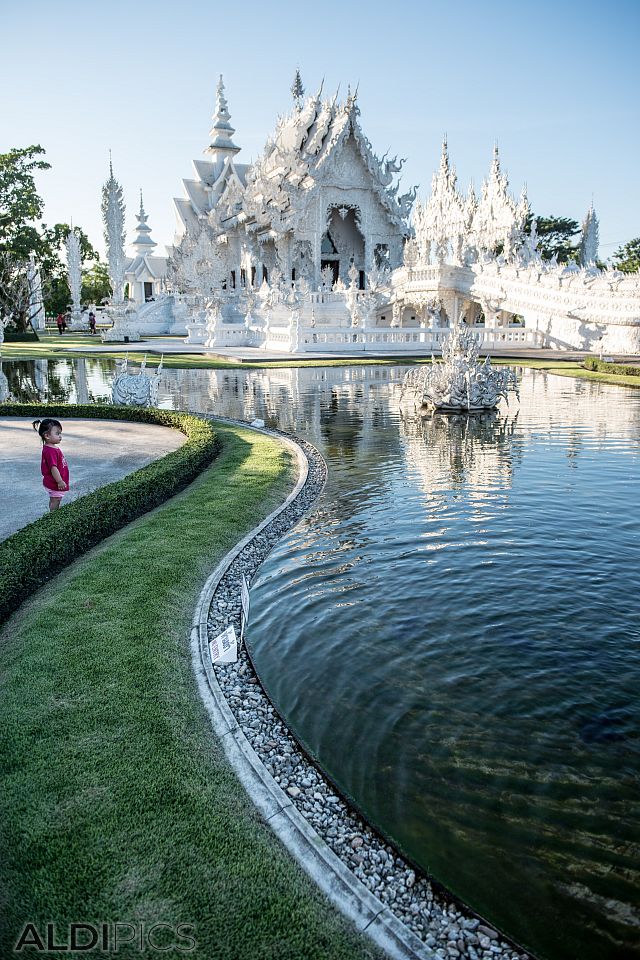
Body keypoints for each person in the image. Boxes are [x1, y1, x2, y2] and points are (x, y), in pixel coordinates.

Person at [32, 418, 69, 512]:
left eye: (60, 433)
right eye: (57, 434)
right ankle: (53, 516)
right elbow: (53, 468)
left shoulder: (51, 448)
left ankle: (53, 513)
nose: (60, 436)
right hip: (55, 482)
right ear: (47, 436)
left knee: (55, 499)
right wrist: (60, 481)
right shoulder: (50, 451)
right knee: (55, 500)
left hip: (55, 481)